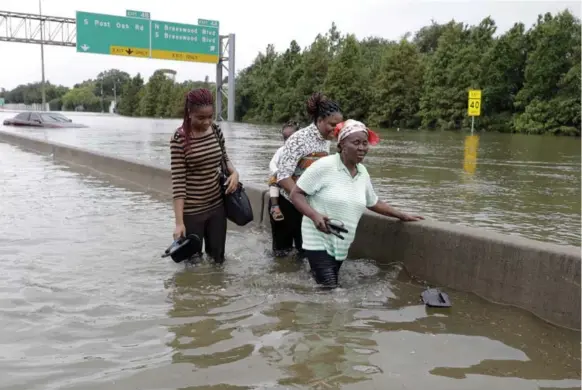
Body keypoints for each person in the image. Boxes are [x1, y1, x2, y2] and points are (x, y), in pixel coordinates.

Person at [290, 119, 424, 288]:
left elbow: (373, 202)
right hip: (318, 238)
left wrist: (402, 215)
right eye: (356, 143)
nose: (362, 148)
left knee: (322, 284)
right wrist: (314, 215)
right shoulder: (324, 166)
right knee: (330, 289)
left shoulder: (363, 172)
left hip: (341, 243)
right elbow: (296, 194)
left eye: (365, 143)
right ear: (342, 145)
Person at [170, 88, 240, 264]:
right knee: (192, 265)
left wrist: (235, 173)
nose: (207, 122)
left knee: (218, 260)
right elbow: (178, 183)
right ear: (189, 113)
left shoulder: (215, 130)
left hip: (217, 206)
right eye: (201, 118)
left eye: (210, 116)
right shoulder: (179, 138)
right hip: (192, 212)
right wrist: (179, 223)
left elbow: (224, 159)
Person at [271, 92, 343, 257]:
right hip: (288, 204)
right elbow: (282, 176)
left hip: (309, 206)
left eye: (339, 125)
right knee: (282, 255)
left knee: (304, 253)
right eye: (332, 124)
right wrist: (302, 201)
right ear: (319, 121)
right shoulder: (299, 139)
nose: (336, 128)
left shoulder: (327, 140)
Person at [268, 121, 300, 222]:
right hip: (281, 178)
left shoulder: (302, 150)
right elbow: (272, 163)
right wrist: (277, 172)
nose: (288, 141)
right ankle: (275, 206)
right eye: (285, 138)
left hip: (295, 180)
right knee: (273, 181)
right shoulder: (281, 150)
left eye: (291, 138)